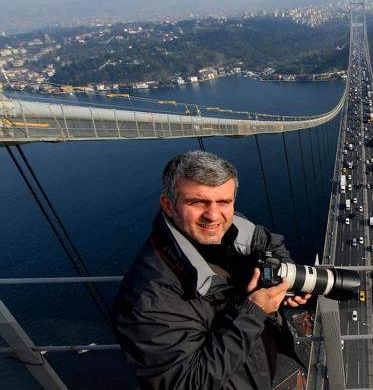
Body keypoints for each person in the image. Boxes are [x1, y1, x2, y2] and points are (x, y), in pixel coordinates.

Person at [113, 150, 310, 390]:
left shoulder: (233, 226)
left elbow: (270, 244)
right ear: (168, 204)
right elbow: (186, 383)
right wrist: (255, 310)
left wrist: (283, 280)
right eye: (197, 202)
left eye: (224, 202)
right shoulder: (145, 297)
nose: (213, 215)